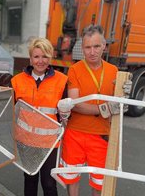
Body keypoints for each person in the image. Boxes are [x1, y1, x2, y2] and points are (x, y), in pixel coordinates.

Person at [57, 24, 131, 196]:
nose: (92, 51)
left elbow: (118, 104)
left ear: (104, 46)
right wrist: (103, 108)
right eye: (88, 47)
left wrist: (124, 92)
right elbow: (76, 103)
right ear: (82, 48)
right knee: (72, 179)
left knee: (98, 183)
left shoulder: (114, 71)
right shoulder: (75, 70)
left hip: (101, 135)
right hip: (75, 133)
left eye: (96, 46)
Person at [11, 37, 68, 196]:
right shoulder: (17, 81)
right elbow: (10, 112)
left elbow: (66, 114)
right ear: (30, 58)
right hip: (26, 141)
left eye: (44, 56)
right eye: (36, 56)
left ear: (50, 57)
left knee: (49, 184)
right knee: (30, 180)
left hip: (50, 143)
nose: (40, 61)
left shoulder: (62, 81)